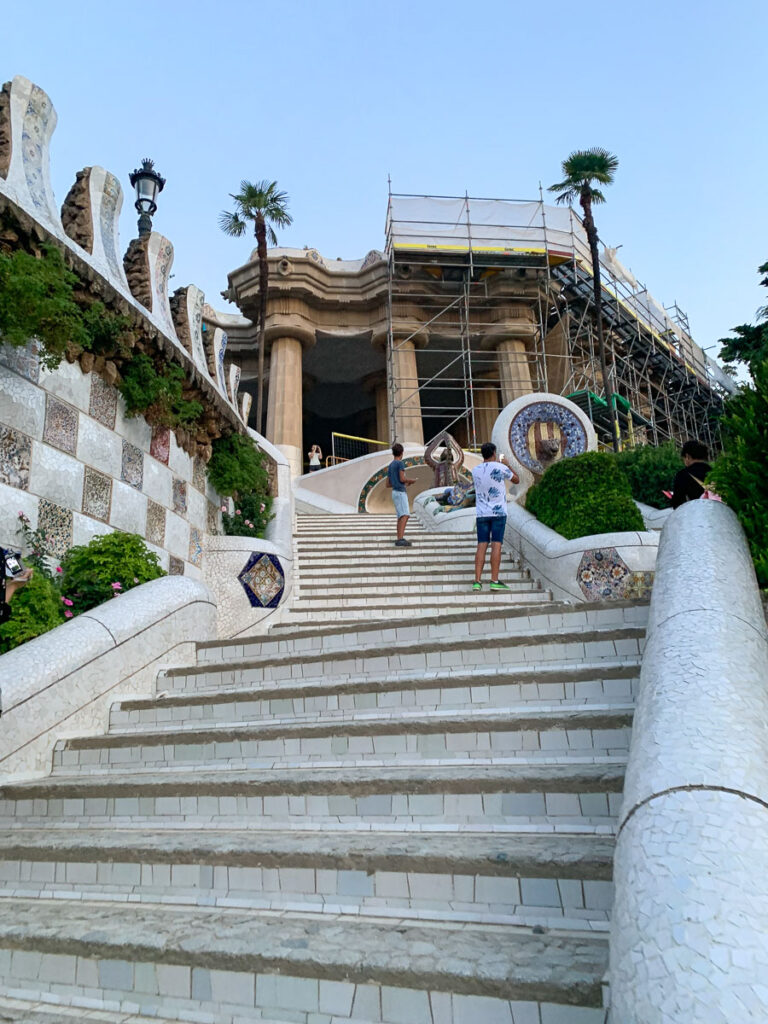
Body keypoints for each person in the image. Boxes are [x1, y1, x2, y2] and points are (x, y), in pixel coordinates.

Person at [471, 441, 519, 591]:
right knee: (496, 544)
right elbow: (516, 479)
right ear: (494, 453)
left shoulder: (475, 470)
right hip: (498, 512)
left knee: (481, 545)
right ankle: (494, 580)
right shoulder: (501, 467)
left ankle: (477, 581)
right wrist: (507, 464)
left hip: (481, 513)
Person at [385, 442, 416, 547]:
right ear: (402, 453)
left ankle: (399, 537)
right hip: (400, 492)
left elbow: (388, 484)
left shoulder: (390, 465)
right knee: (405, 515)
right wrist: (410, 480)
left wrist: (402, 483)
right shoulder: (400, 464)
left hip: (395, 491)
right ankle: (400, 538)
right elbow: (402, 478)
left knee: (400, 516)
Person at [670, 440, 713, 509]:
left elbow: (677, 504)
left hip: (695, 516)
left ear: (687, 456)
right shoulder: (714, 472)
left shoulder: (682, 475)